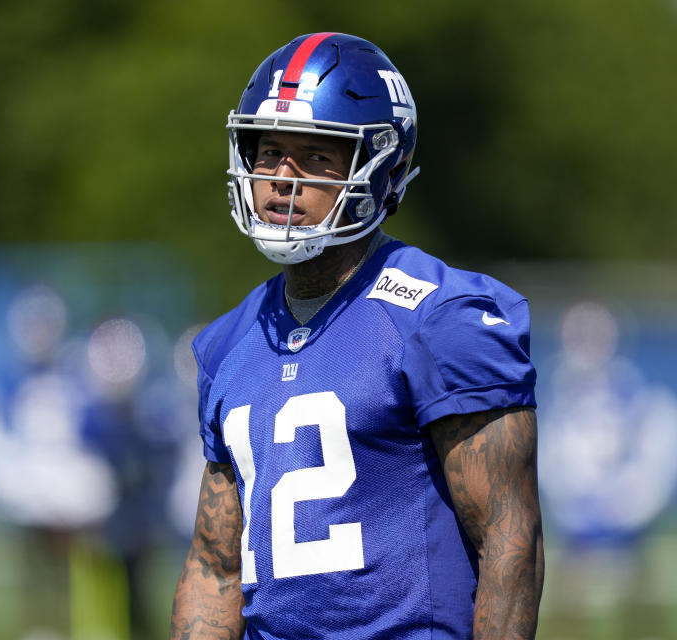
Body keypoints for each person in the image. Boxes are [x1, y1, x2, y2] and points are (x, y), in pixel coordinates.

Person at [170, 33, 544, 639]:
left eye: (316, 157)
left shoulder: (440, 316)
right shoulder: (227, 342)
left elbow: (509, 537)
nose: (280, 181)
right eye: (268, 153)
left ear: (381, 169)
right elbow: (214, 565)